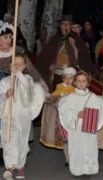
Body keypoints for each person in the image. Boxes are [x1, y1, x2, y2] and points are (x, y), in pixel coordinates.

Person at [0, 21, 47, 167]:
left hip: (18, 87)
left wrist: (41, 81)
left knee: (15, 123)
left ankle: (13, 157)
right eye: (5, 37)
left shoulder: (17, 50)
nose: (8, 40)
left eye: (10, 37)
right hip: (3, 88)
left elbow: (30, 68)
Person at [0, 54, 45, 179]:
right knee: (9, 140)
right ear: (10, 66)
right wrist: (5, 95)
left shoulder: (28, 79)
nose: (18, 66)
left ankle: (19, 167)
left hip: (22, 116)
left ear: (25, 66)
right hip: (8, 116)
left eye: (20, 64)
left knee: (21, 142)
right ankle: (9, 167)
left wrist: (18, 75)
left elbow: (28, 89)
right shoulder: (4, 82)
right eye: (15, 64)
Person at [58, 72, 103, 177]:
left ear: (88, 83)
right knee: (76, 148)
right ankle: (77, 169)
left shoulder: (93, 97)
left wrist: (92, 116)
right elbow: (65, 112)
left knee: (90, 147)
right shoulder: (70, 97)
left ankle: (89, 168)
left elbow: (100, 110)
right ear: (75, 82)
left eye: (84, 81)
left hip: (89, 128)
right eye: (78, 81)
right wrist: (76, 115)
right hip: (76, 128)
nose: (81, 83)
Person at [36, 15, 93, 92]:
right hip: (57, 76)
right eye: (63, 24)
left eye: (68, 24)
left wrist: (74, 47)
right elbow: (44, 57)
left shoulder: (77, 40)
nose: (66, 26)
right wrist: (49, 65)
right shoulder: (55, 39)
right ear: (60, 26)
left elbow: (84, 60)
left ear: (70, 26)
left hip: (72, 78)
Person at [40, 67, 76, 167]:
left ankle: (75, 156)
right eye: (66, 78)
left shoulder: (77, 89)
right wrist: (57, 98)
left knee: (74, 138)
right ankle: (68, 159)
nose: (68, 81)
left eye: (70, 78)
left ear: (74, 79)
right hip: (62, 119)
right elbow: (53, 98)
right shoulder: (60, 87)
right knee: (66, 139)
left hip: (74, 119)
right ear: (63, 78)